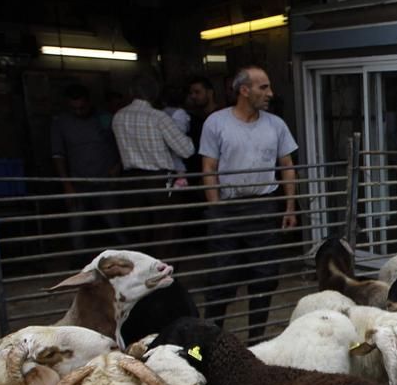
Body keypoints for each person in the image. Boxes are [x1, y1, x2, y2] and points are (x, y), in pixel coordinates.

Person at [200, 65, 298, 343]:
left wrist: (290, 207)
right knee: (221, 279)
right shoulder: (216, 123)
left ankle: (257, 341)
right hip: (228, 208)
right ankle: (209, 342)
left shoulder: (275, 124)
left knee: (265, 277)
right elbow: (208, 166)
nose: (270, 93)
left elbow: (287, 166)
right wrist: (216, 207)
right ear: (244, 90)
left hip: (263, 207)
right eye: (263, 87)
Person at [112, 73, 195, 254]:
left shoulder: (118, 116)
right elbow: (186, 150)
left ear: (131, 92)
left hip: (129, 181)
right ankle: (163, 277)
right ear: (155, 94)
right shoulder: (158, 117)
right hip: (159, 181)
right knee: (166, 231)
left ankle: (140, 276)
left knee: (138, 232)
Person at [50, 84, 122, 254]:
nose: (79, 112)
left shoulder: (105, 118)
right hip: (77, 182)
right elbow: (58, 155)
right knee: (77, 224)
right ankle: (79, 258)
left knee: (115, 221)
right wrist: (67, 185)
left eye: (82, 107)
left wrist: (118, 166)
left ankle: (126, 255)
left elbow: (122, 144)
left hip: (105, 180)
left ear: (89, 102)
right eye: (74, 108)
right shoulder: (61, 123)